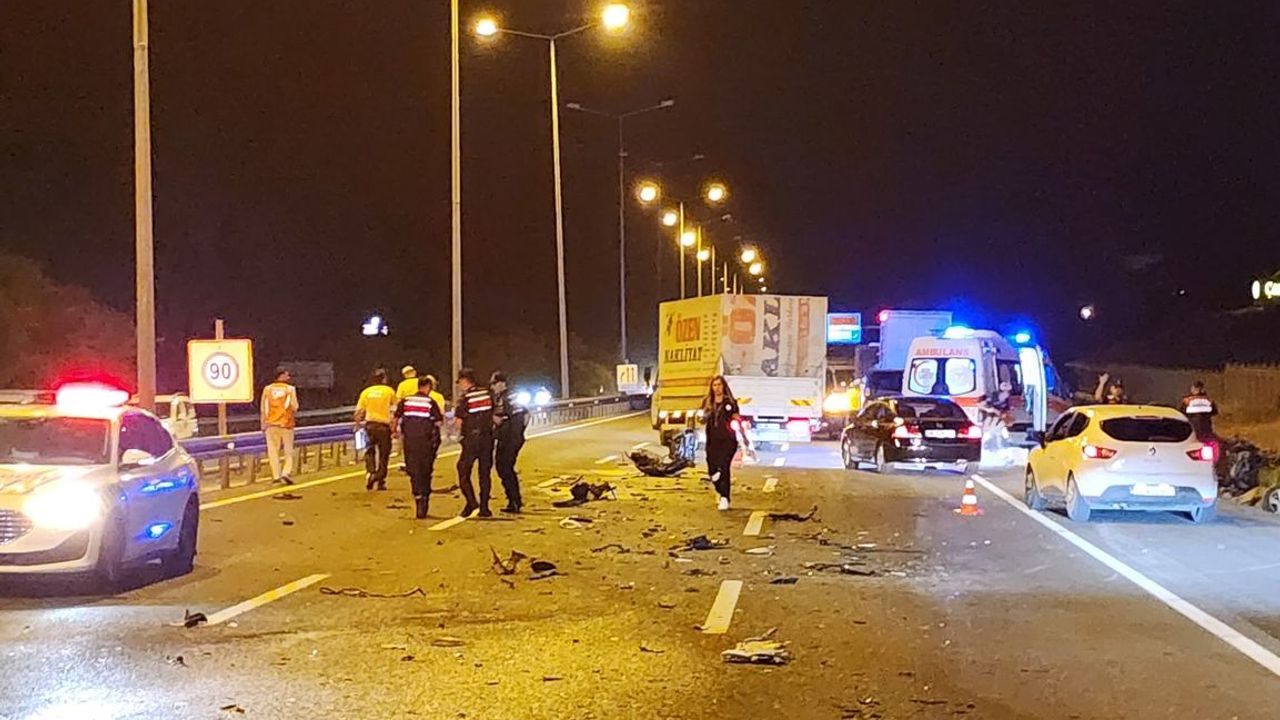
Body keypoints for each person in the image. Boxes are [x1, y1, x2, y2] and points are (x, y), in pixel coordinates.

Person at [395, 376, 444, 518]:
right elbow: (439, 422)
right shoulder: (430, 402)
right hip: (426, 442)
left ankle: (418, 496)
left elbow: (395, 418)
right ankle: (424, 497)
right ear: (428, 387)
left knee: (413, 470)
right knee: (425, 471)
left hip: (410, 442)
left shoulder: (406, 401)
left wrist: (394, 432)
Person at [454, 369, 495, 517]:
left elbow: (458, 422)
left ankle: (471, 502)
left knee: (463, 470)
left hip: (471, 440)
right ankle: (484, 507)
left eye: (460, 383)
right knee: (484, 473)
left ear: (465, 381)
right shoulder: (488, 394)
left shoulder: (465, 398)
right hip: (487, 438)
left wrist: (458, 435)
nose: (460, 386)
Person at [702, 375, 747, 511]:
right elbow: (702, 418)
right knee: (712, 468)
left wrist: (742, 429)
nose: (717, 388)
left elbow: (736, 417)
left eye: (719, 385)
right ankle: (718, 486)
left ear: (724, 386)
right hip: (712, 440)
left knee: (724, 466)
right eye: (714, 385)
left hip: (728, 440)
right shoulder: (707, 402)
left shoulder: (730, 403)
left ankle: (724, 497)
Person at [490, 371, 528, 514]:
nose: (492, 387)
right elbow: (526, 415)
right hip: (505, 438)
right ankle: (513, 500)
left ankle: (514, 501)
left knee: (505, 467)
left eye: (494, 384)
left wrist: (515, 434)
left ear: (501, 383)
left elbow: (521, 417)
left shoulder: (511, 397)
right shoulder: (500, 397)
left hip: (510, 439)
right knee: (502, 467)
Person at [355, 368, 397, 490]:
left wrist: (357, 425)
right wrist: (394, 428)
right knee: (384, 454)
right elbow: (394, 411)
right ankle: (380, 478)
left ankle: (371, 473)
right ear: (384, 379)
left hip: (369, 426)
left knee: (369, 451)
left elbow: (359, 411)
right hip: (383, 427)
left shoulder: (366, 392)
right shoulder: (389, 391)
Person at [260, 368, 299, 485]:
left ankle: (276, 476)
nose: (289, 377)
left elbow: (263, 408)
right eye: (287, 375)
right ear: (281, 376)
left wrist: (263, 424)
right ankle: (286, 473)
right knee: (288, 451)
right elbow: (295, 406)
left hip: (271, 424)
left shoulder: (267, 389)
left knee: (273, 451)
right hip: (286, 424)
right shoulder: (290, 389)